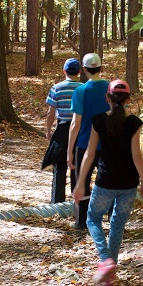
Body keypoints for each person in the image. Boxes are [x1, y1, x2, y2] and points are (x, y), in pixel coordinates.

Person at [73, 79, 143, 286]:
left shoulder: (98, 120)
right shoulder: (134, 122)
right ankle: (110, 271)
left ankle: (106, 261)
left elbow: (89, 154)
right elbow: (137, 156)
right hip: (128, 184)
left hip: (105, 182)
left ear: (107, 98)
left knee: (92, 219)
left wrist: (80, 183)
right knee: (117, 224)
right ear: (128, 99)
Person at [67, 53, 110, 229]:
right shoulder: (111, 88)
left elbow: (75, 123)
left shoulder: (80, 91)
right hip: (108, 144)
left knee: (81, 182)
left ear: (84, 70)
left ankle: (81, 222)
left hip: (84, 144)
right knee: (108, 180)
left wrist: (69, 150)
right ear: (101, 67)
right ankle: (111, 219)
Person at [44, 58, 82, 203]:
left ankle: (57, 202)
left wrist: (48, 130)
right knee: (77, 165)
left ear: (64, 71)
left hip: (62, 129)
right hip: (80, 128)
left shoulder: (57, 88)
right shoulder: (83, 88)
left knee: (59, 165)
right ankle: (77, 202)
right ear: (79, 72)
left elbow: (51, 112)